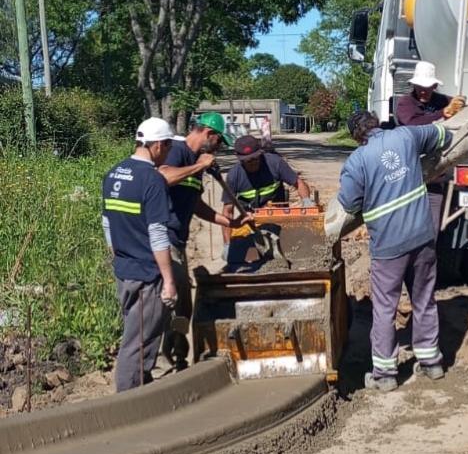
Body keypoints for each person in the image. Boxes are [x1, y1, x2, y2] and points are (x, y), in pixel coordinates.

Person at [337, 109, 453, 393]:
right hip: (423, 237)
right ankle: (432, 363)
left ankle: (385, 375)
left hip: (389, 247)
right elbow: (443, 135)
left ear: (356, 137)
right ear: (376, 124)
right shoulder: (406, 135)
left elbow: (350, 204)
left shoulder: (357, 161)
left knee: (385, 309)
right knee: (424, 299)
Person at [102, 117, 178, 392]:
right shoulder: (152, 180)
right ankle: (130, 404)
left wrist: (120, 256)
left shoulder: (114, 173)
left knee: (134, 333)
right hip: (147, 274)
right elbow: (157, 233)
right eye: (168, 146)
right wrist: (168, 281)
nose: (169, 152)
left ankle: (141, 389)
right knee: (139, 343)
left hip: (124, 270)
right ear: (157, 145)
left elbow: (107, 224)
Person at [158, 111, 238, 369]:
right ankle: (159, 356)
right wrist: (200, 166)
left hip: (178, 240)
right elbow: (165, 176)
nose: (219, 148)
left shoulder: (194, 160)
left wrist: (229, 222)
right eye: (218, 142)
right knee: (173, 299)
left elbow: (195, 205)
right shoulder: (178, 151)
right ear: (207, 133)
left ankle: (178, 354)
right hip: (164, 238)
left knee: (183, 303)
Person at [395, 60, 465, 236]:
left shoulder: (441, 100)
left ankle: (427, 258)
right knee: (407, 226)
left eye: (428, 87)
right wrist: (443, 114)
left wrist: (462, 106)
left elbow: (458, 108)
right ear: (414, 85)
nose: (424, 91)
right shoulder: (405, 104)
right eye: (420, 87)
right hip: (410, 175)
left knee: (432, 230)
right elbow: (413, 123)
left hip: (435, 176)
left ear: (435, 85)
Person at [220, 135, 315, 264]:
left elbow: (299, 183)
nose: (253, 162)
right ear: (240, 159)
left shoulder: (275, 163)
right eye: (248, 160)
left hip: (279, 218)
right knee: (245, 255)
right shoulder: (234, 176)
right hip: (251, 221)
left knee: (295, 247)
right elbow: (227, 211)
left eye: (255, 158)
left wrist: (307, 202)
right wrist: (227, 244)